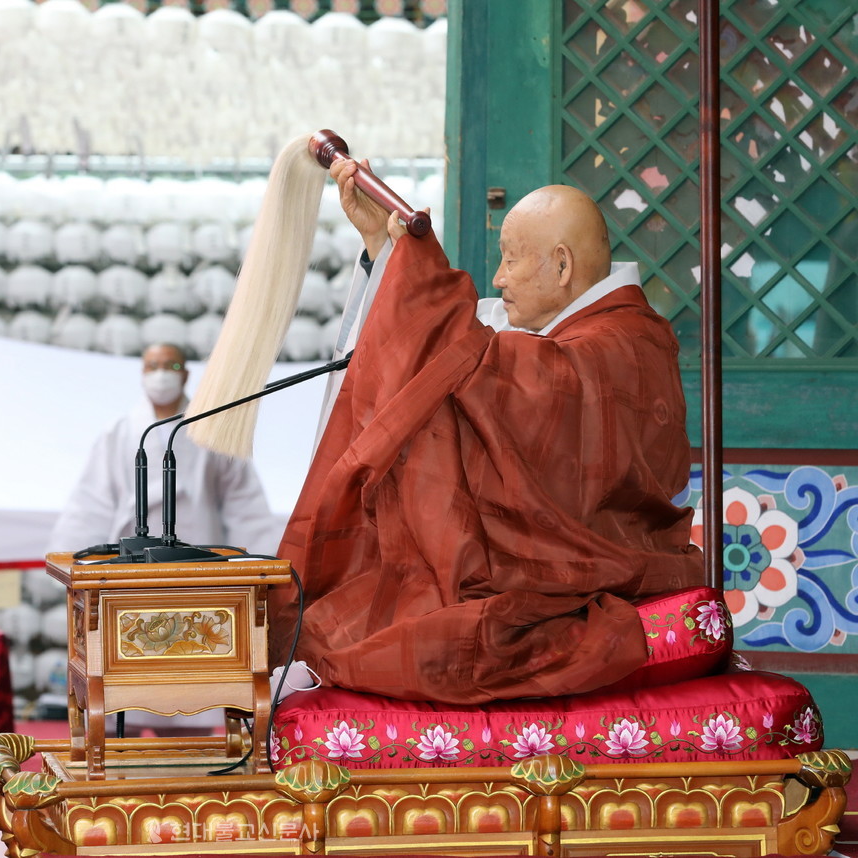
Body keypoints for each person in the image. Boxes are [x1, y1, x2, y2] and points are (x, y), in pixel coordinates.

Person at [268, 160, 704, 705]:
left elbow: (485, 366)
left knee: (412, 636)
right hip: (570, 564)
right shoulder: (579, 331)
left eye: (510, 259)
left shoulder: (617, 343)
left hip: (584, 574)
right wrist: (386, 247)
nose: (497, 277)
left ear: (563, 266)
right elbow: (464, 348)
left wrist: (418, 272)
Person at [48, 342, 281, 557]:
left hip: (200, 550)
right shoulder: (118, 433)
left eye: (172, 365)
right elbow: (93, 498)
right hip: (133, 555)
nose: (161, 374)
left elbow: (242, 501)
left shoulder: (213, 429)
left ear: (186, 374)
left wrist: (256, 558)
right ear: (143, 373)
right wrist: (73, 553)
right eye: (153, 366)